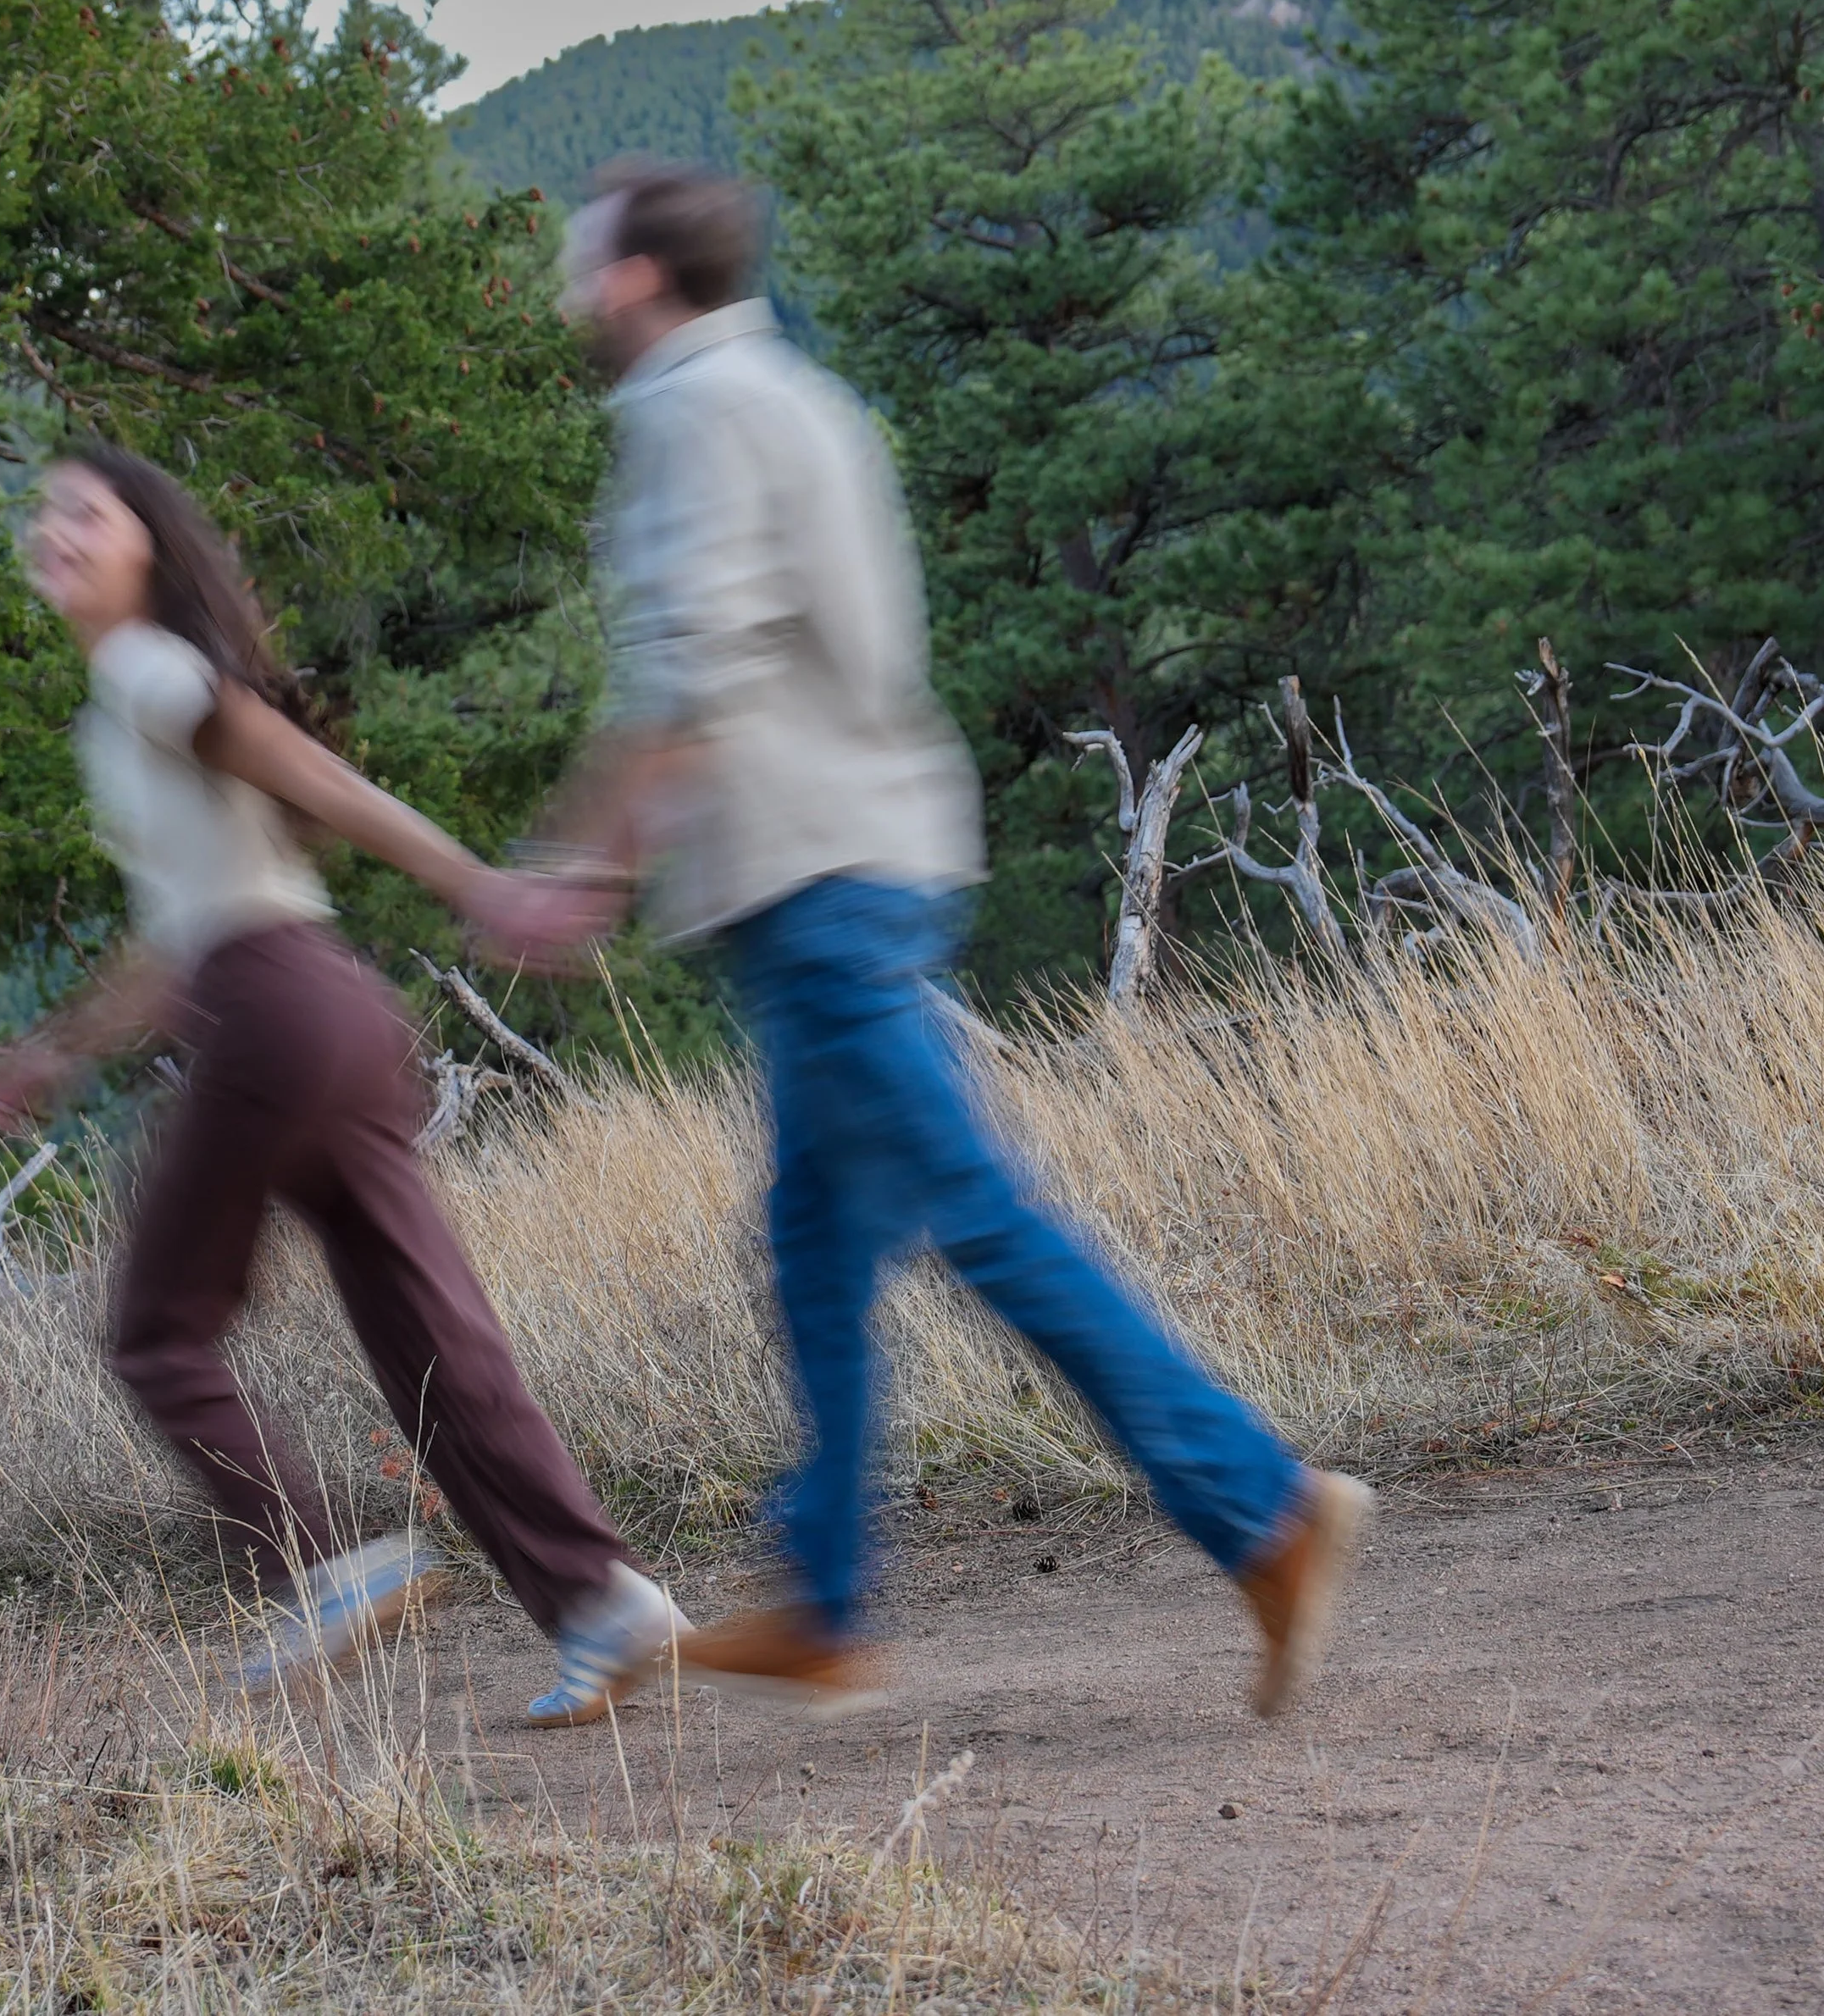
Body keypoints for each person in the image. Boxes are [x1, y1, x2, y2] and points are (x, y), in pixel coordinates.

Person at [474, 164, 1371, 1714]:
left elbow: (689, 668)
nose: (569, 295)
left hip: (815, 883)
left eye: (580, 266)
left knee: (982, 1220)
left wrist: (579, 866)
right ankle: (823, 1597)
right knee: (817, 1247)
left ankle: (1263, 1507)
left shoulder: (691, 410)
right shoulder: (795, 393)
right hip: (862, 860)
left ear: (632, 280)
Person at [0, 443, 681, 1725]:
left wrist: (479, 885)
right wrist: (60, 1050)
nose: (55, 530)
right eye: (47, 510)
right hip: (333, 1009)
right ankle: (605, 1603)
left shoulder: (148, 671)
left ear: (148, 547)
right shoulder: (125, 698)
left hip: (274, 1018)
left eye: (87, 513)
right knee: (433, 1342)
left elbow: (320, 781)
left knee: (158, 1331)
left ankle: (323, 1567)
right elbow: (176, 933)